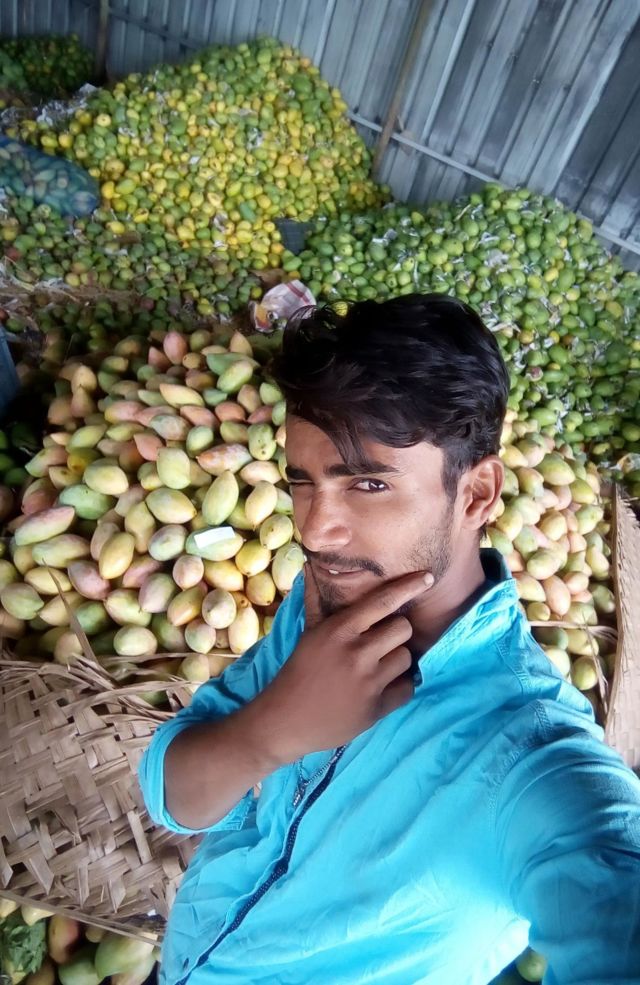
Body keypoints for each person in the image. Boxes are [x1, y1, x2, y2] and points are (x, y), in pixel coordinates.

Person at [139, 294, 640, 985]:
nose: (314, 530)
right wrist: (270, 733)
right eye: (302, 483)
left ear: (476, 495)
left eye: (368, 483)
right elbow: (173, 796)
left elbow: (609, 888)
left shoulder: (529, 750)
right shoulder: (323, 607)